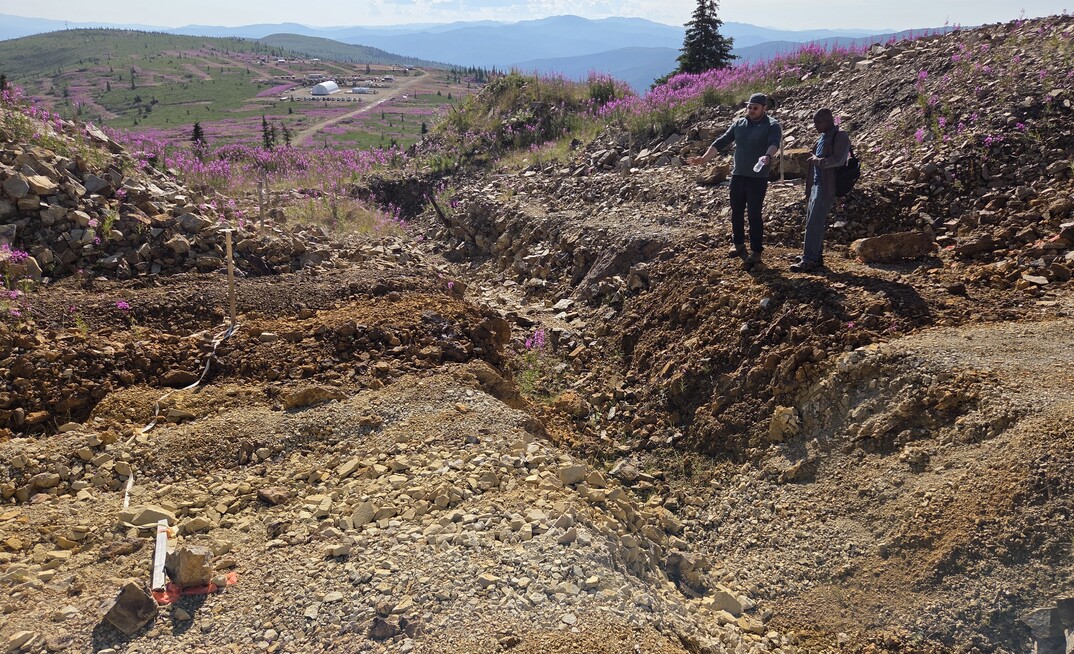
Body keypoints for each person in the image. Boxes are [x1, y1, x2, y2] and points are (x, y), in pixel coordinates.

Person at [688, 92, 782, 270]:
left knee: (754, 214)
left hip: (757, 178)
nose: (751, 110)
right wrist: (703, 159)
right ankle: (738, 243)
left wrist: (768, 156)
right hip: (738, 176)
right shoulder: (739, 123)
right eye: (749, 107)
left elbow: (774, 143)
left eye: (755, 108)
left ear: (764, 108)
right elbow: (722, 141)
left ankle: (756, 251)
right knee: (736, 211)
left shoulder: (772, 125)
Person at [791, 108, 851, 273]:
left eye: (818, 122)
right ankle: (814, 256)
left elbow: (838, 160)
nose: (815, 126)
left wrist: (818, 161)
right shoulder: (822, 137)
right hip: (816, 186)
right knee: (811, 221)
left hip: (827, 187)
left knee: (814, 224)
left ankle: (809, 260)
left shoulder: (840, 136)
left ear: (828, 120)